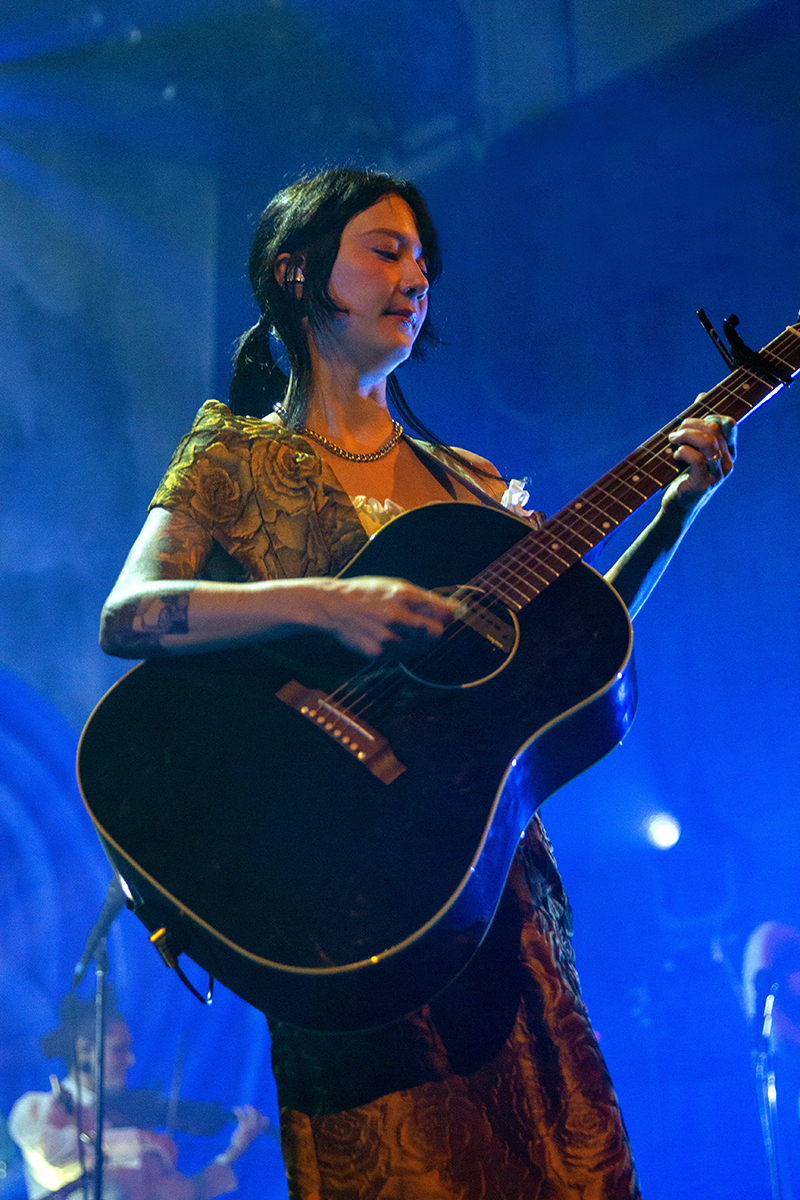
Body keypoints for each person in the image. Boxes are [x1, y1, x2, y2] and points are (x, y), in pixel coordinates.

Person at [97, 167, 735, 1199]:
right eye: (385, 251)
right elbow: (130, 613)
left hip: (488, 879)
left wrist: (671, 515)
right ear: (297, 273)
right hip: (330, 889)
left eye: (423, 261)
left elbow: (564, 661)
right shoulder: (233, 457)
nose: (415, 276)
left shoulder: (468, 483)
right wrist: (325, 603)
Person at [7, 994, 267, 1200]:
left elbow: (183, 1192)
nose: (130, 1060)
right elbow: (53, 1153)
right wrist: (142, 1139)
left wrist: (235, 1150)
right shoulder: (39, 1109)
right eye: (119, 1050)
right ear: (85, 1050)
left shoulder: (126, 1118)